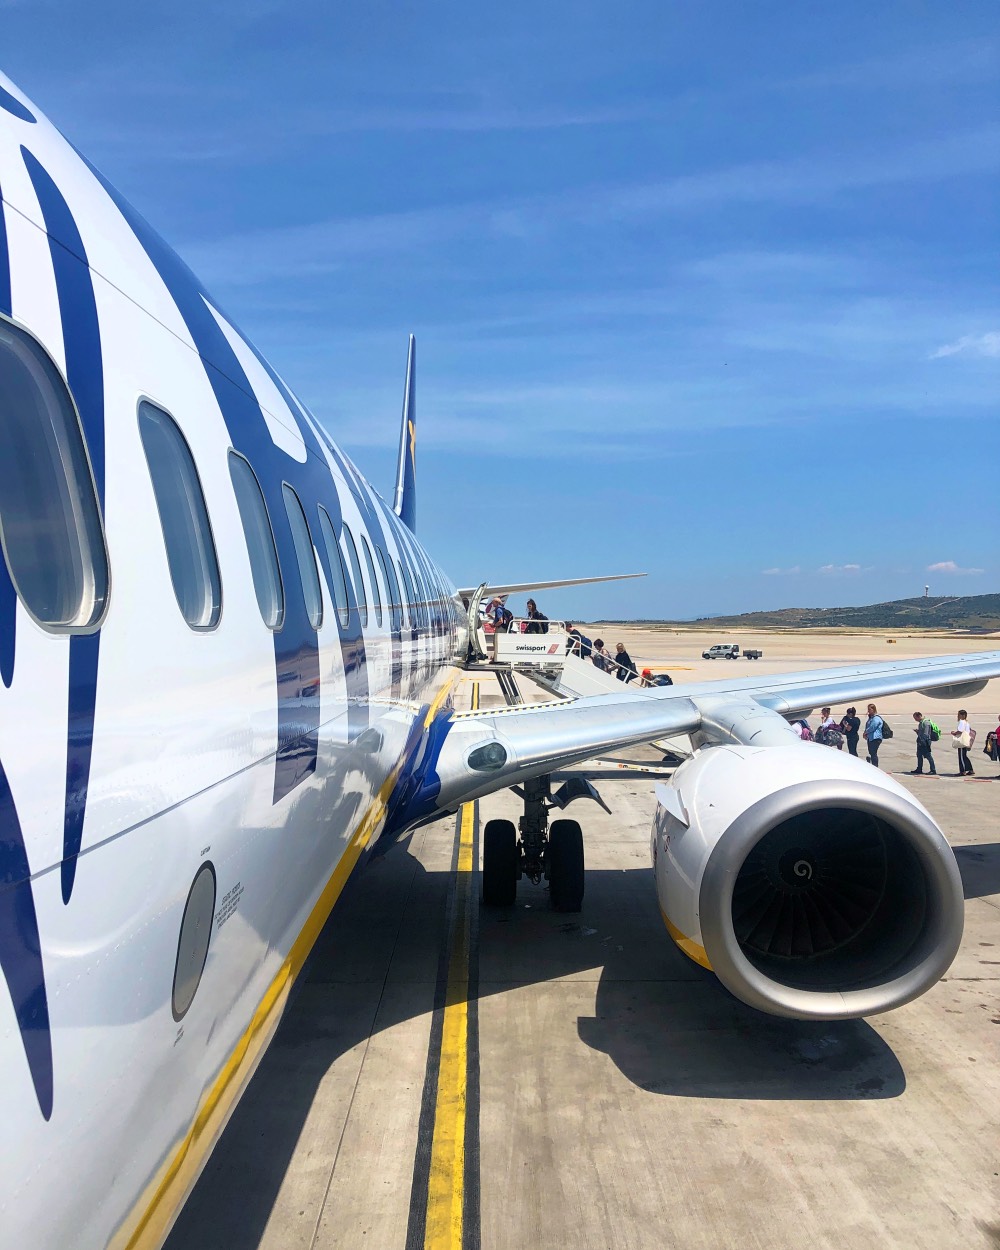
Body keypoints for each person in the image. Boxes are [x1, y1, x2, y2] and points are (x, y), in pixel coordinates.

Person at [909, 711, 937, 775]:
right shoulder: (921, 723)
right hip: (921, 740)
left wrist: (922, 741)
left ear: (919, 716)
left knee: (928, 755)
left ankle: (933, 770)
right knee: (919, 755)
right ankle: (919, 769)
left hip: (925, 741)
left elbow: (926, 734)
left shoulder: (926, 723)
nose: (915, 719)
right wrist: (918, 732)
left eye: (915, 718)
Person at [952, 708, 974, 776]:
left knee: (961, 756)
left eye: (959, 715)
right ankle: (970, 769)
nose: (958, 716)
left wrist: (954, 733)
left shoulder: (962, 722)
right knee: (964, 756)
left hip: (962, 741)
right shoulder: (967, 722)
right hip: (966, 740)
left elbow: (960, 731)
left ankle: (963, 771)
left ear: (963, 715)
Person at [863, 703, 884, 768]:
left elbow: (872, 727)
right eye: (868, 709)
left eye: (870, 709)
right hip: (871, 738)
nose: (868, 711)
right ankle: (874, 765)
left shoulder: (876, 718)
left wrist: (865, 732)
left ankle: (875, 766)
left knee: (873, 753)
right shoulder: (871, 718)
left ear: (873, 709)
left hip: (875, 738)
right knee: (872, 753)